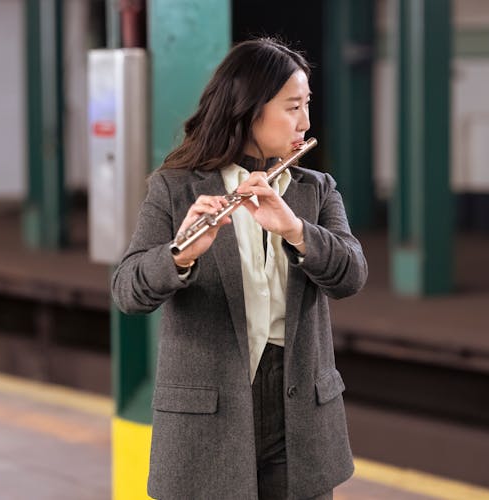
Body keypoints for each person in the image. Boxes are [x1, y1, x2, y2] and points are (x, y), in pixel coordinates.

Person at [111, 38, 368, 500]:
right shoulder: (177, 188)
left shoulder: (315, 190)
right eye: (292, 107)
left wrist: (295, 229)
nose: (305, 122)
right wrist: (181, 252)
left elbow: (351, 274)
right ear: (250, 110)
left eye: (306, 105)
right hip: (207, 419)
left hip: (298, 415)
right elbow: (127, 291)